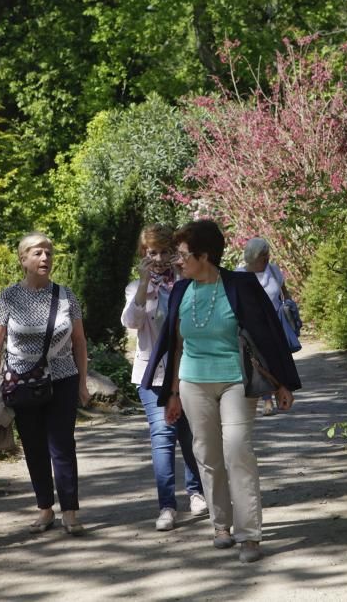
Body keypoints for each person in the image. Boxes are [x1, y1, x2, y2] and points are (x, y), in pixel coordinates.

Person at [142, 219, 301, 564]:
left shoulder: (240, 285)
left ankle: (249, 536)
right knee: (207, 454)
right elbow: (176, 346)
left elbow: (268, 334)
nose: (177, 262)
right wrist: (171, 394)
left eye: (183, 255)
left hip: (235, 380)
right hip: (192, 383)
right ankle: (221, 526)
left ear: (205, 256)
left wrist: (281, 383)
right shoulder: (182, 291)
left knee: (237, 450)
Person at [0, 232, 90, 536]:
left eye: (48, 253)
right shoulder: (8, 297)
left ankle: (70, 511)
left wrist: (83, 382)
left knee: (62, 445)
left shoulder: (66, 295)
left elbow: (80, 342)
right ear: (23, 260)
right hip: (21, 384)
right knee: (33, 447)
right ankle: (45, 509)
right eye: (37, 253)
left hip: (62, 379)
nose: (45, 258)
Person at [121, 224, 207, 531]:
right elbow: (131, 321)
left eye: (164, 251)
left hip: (189, 371)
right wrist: (145, 284)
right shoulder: (136, 288)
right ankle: (167, 506)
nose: (158, 258)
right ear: (144, 255)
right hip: (152, 374)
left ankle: (196, 491)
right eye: (151, 252)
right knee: (163, 437)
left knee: (190, 435)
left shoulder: (187, 283)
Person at [236, 237, 294, 416]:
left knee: (275, 363)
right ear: (251, 258)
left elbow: (285, 293)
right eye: (262, 258)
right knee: (259, 363)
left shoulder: (274, 271)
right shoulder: (238, 275)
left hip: (274, 327)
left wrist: (290, 308)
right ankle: (267, 399)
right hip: (251, 329)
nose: (266, 260)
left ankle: (278, 392)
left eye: (266, 256)